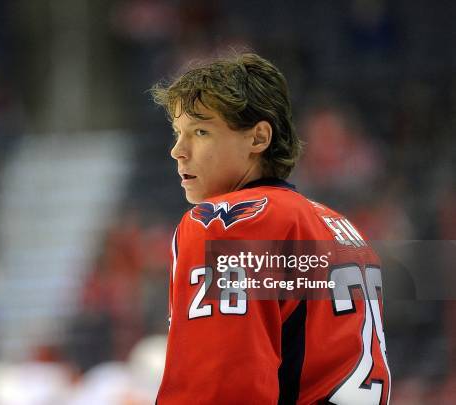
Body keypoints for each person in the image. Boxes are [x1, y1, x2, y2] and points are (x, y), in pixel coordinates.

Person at [150, 53, 391, 404]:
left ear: (258, 138)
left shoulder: (226, 221)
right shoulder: (344, 228)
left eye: (201, 131)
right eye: (178, 133)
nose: (178, 151)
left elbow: (222, 389)